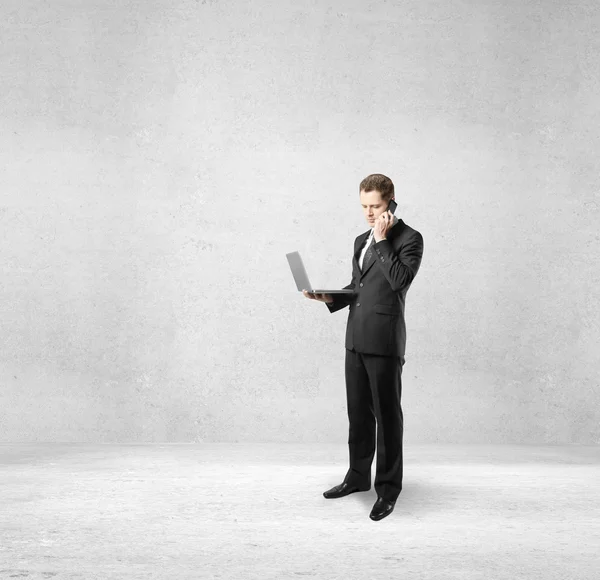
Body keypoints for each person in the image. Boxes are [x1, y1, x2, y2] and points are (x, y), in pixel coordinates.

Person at [303, 173, 424, 521]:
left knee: (387, 417)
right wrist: (330, 297)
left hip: (384, 340)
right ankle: (357, 477)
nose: (370, 213)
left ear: (391, 203)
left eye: (376, 206)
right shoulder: (360, 239)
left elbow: (399, 282)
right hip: (355, 338)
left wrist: (384, 240)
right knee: (357, 414)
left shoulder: (409, 238)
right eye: (364, 207)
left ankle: (387, 490)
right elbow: (359, 287)